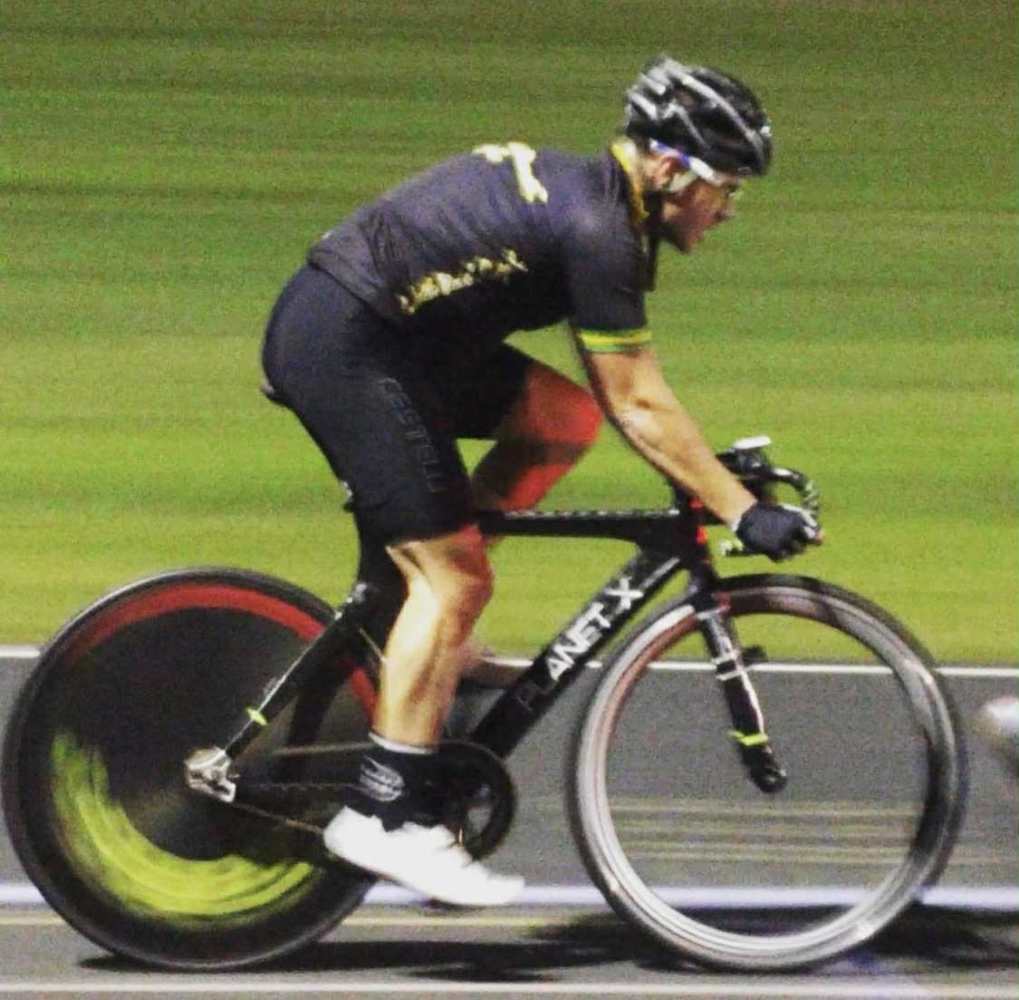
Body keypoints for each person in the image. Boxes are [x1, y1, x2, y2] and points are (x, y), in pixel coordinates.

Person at [260, 54, 821, 907]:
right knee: (454, 575)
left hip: (383, 335)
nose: (727, 209)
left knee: (558, 420)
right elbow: (638, 402)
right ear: (670, 169)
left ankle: (423, 629)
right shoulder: (598, 231)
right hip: (348, 346)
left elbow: (611, 406)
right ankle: (383, 816)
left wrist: (712, 483)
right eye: (726, 186)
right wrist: (738, 509)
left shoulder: (597, 205)